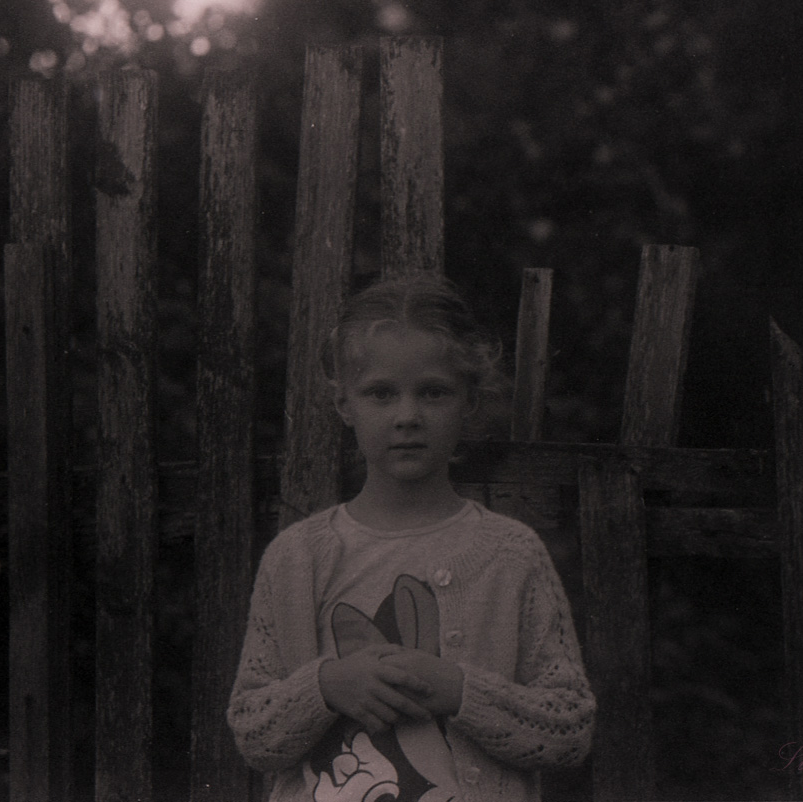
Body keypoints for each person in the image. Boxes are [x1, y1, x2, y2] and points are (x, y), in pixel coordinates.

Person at [228, 274, 594, 802]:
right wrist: (326, 686)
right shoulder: (296, 558)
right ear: (344, 405)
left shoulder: (511, 554)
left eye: (433, 392)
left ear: (469, 402)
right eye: (381, 393)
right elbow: (253, 732)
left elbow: (569, 727)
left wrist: (460, 692)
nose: (407, 417)